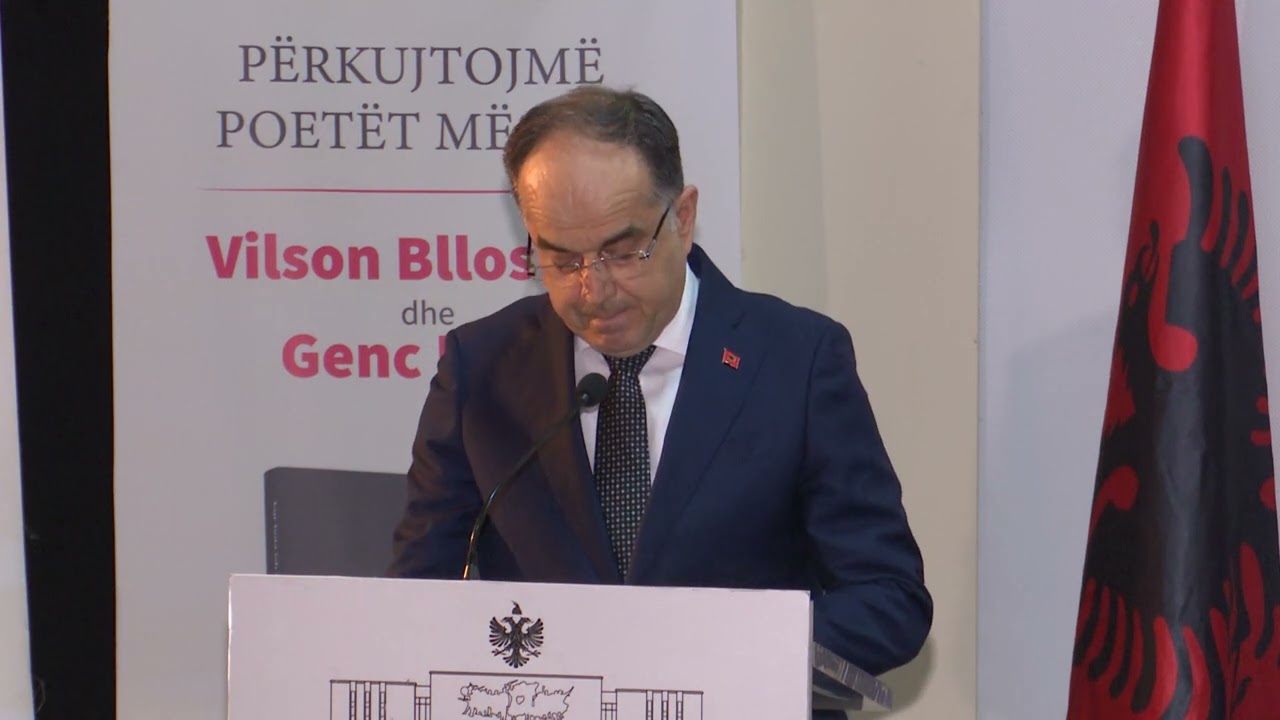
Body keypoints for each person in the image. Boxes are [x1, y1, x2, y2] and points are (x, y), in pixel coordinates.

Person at [388, 86, 932, 693]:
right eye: (561, 260)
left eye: (623, 253)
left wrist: (731, 653)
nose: (594, 290)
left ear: (684, 217)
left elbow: (890, 598)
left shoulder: (796, 360)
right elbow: (418, 597)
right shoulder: (481, 367)